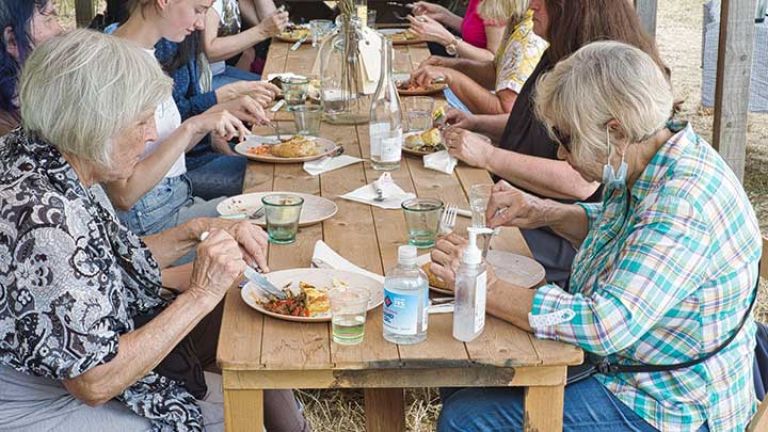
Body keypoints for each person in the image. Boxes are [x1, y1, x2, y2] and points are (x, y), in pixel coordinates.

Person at [431, 40, 760, 432]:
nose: (560, 154)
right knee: (463, 372)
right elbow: (623, 228)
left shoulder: (683, 204)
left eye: (566, 138)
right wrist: (542, 212)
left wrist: (484, 285)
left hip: (670, 405)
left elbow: (605, 325)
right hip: (634, 371)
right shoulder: (650, 154)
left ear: (615, 131)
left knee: (466, 418)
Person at [0, 29, 309, 432]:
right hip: (39, 402)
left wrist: (203, 227)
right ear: (94, 123)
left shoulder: (48, 156)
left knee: (248, 312)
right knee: (228, 411)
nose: (150, 136)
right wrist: (200, 293)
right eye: (142, 120)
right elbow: (94, 380)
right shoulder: (42, 219)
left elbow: (110, 257)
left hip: (77, 362)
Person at [439, 0, 670, 285]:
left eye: (543, 1)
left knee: (458, 254)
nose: (531, 6)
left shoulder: (675, 202)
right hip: (542, 220)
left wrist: (487, 286)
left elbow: (580, 183)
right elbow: (611, 223)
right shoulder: (562, 57)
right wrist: (541, 211)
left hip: (560, 252)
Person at [109, 0, 274, 237]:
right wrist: (194, 125)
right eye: (198, 10)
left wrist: (217, 114)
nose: (199, 24)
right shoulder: (118, 66)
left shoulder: (148, 54)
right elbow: (123, 195)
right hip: (151, 220)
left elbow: (165, 149)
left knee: (279, 209)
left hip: (178, 198)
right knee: (274, 226)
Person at [411, 0, 547, 114]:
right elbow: (496, 71)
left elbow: (506, 112)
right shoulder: (518, 19)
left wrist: (450, 75)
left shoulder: (526, 36)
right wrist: (448, 65)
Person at [0, 0, 63, 136]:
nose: (59, 30)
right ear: (12, 40)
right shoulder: (6, 130)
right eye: (48, 19)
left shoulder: (44, 86)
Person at [204, 0, 289, 88]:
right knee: (277, 92)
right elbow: (209, 51)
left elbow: (272, 23)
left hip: (219, 70)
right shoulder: (210, 3)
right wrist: (262, 31)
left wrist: (264, 29)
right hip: (202, 81)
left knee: (283, 88)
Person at [407, 0, 506, 62]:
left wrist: (448, 40)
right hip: (466, 71)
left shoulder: (496, 4)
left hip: (484, 86)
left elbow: (493, 60)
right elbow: (476, 32)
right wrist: (444, 15)